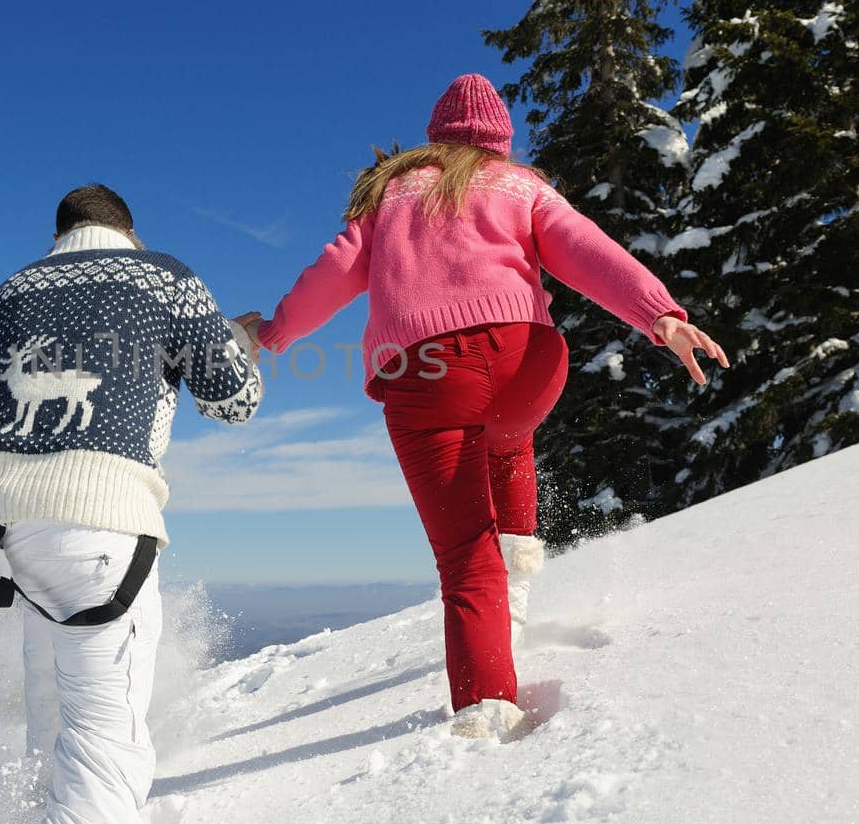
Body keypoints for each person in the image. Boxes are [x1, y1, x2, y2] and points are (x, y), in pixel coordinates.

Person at [236, 74, 727, 741]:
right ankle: (519, 569)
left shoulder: (392, 195)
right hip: (528, 360)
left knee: (466, 550)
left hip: (427, 371)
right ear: (501, 140)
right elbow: (587, 250)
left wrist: (275, 333)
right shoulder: (523, 187)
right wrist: (659, 314)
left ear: (435, 138)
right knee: (504, 434)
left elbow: (331, 274)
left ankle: (487, 701)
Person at [0, 185, 262, 824]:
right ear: (129, 230)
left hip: (3, 528)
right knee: (105, 727)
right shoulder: (167, 277)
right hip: (98, 522)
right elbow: (232, 402)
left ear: (60, 234)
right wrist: (242, 345)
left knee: (51, 690)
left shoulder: (14, 289)